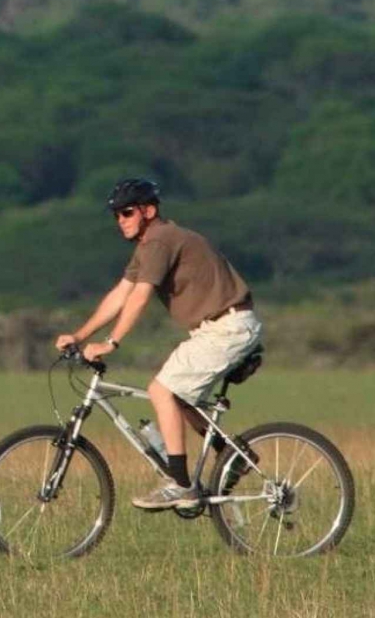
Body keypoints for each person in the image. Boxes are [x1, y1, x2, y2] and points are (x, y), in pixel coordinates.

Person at [54, 178, 261, 511]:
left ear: (149, 211)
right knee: (175, 392)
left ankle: (180, 485)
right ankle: (231, 455)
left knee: (161, 390)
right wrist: (80, 336)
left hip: (228, 327)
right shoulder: (148, 246)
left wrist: (111, 342)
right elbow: (120, 293)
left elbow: (139, 297)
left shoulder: (161, 241)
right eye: (117, 215)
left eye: (127, 212)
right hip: (218, 328)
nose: (121, 220)